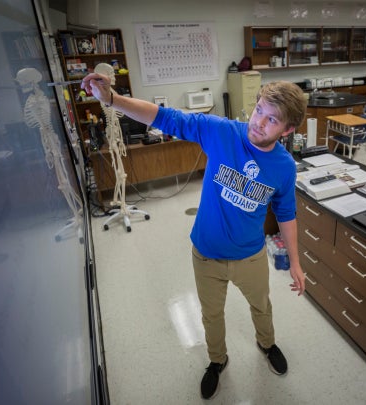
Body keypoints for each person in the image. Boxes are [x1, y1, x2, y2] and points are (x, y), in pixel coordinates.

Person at [81, 74, 307, 400]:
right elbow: (165, 117)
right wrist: (113, 99)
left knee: (262, 306)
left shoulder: (284, 167)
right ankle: (217, 360)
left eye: (272, 120)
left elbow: (286, 213)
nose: (259, 122)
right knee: (211, 314)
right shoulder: (222, 132)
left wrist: (296, 263)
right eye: (259, 110)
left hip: (250, 256)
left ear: (287, 130)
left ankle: (267, 344)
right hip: (206, 253)